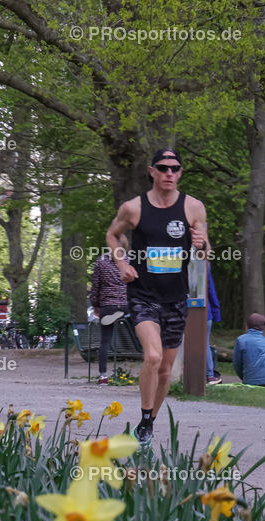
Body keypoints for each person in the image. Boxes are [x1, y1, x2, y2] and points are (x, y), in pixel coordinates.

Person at [105, 148, 209, 447]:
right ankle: (146, 417)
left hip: (176, 297)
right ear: (152, 171)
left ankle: (147, 423)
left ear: (180, 172)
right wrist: (122, 264)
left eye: (175, 168)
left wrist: (201, 244)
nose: (169, 174)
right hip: (143, 294)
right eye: (163, 168)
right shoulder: (133, 208)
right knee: (152, 356)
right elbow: (113, 235)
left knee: (165, 369)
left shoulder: (193, 207)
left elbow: (204, 252)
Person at [88, 253, 129, 384]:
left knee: (105, 341)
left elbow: (96, 286)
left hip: (107, 305)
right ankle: (124, 313)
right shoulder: (129, 260)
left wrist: (95, 305)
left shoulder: (101, 261)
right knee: (141, 332)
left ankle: (103, 376)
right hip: (126, 303)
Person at [206, 268, 222, 385]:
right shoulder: (204, 266)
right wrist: (216, 314)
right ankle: (210, 375)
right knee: (204, 344)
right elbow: (211, 291)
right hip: (206, 314)